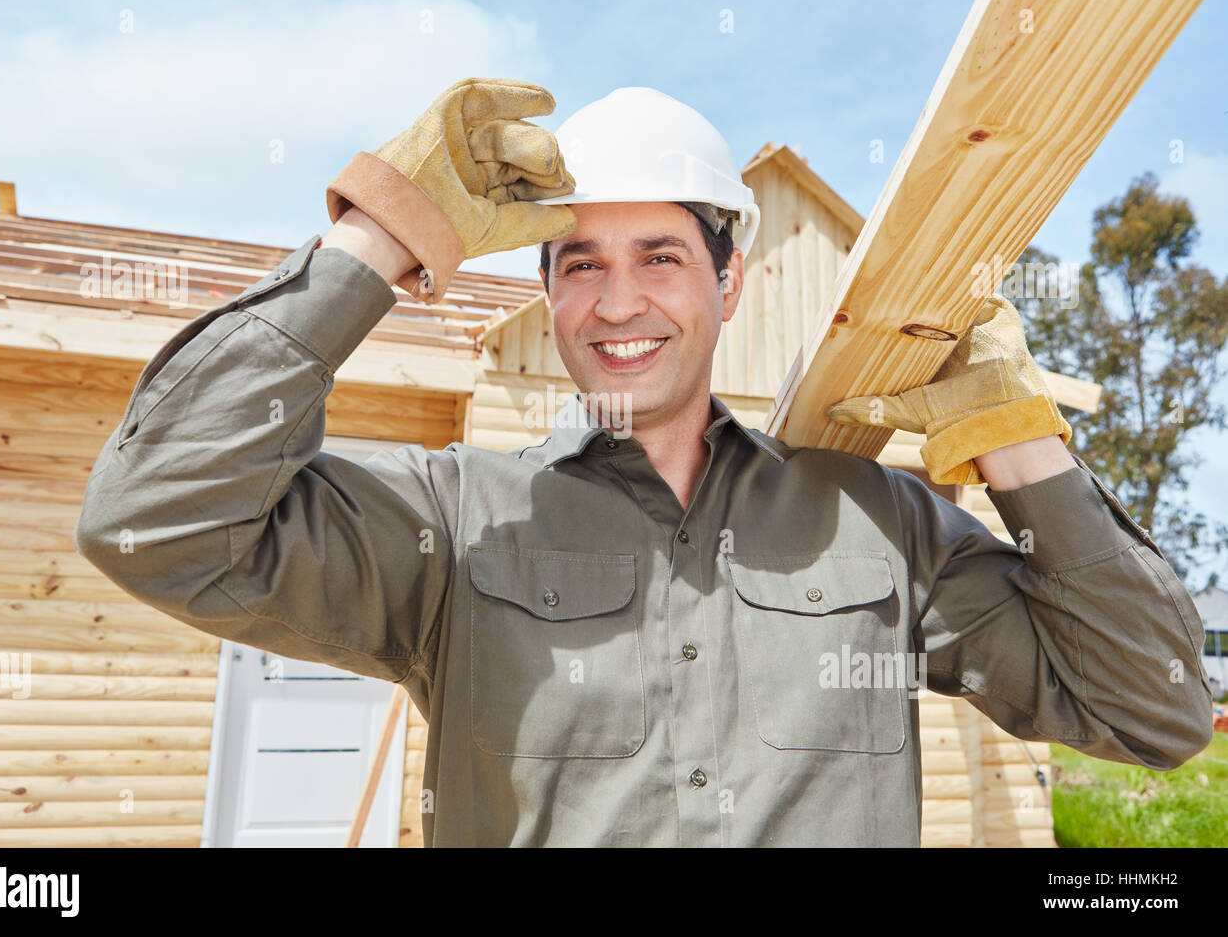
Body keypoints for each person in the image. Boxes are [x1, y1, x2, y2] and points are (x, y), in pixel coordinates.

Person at [75, 77, 1213, 846]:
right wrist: (378, 234)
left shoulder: (878, 523)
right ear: (546, 289)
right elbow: (150, 522)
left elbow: (1151, 711)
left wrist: (1016, 439)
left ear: (727, 283)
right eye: (578, 264)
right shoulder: (451, 519)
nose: (616, 303)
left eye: (660, 256)